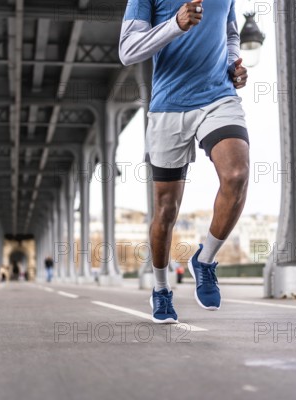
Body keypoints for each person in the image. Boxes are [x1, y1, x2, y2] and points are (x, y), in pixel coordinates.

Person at [119, 0, 249, 323]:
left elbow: (230, 33)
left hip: (218, 97)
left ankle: (204, 261)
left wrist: (234, 63)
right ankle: (161, 289)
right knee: (165, 211)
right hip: (169, 107)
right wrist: (176, 23)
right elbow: (128, 49)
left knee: (236, 174)